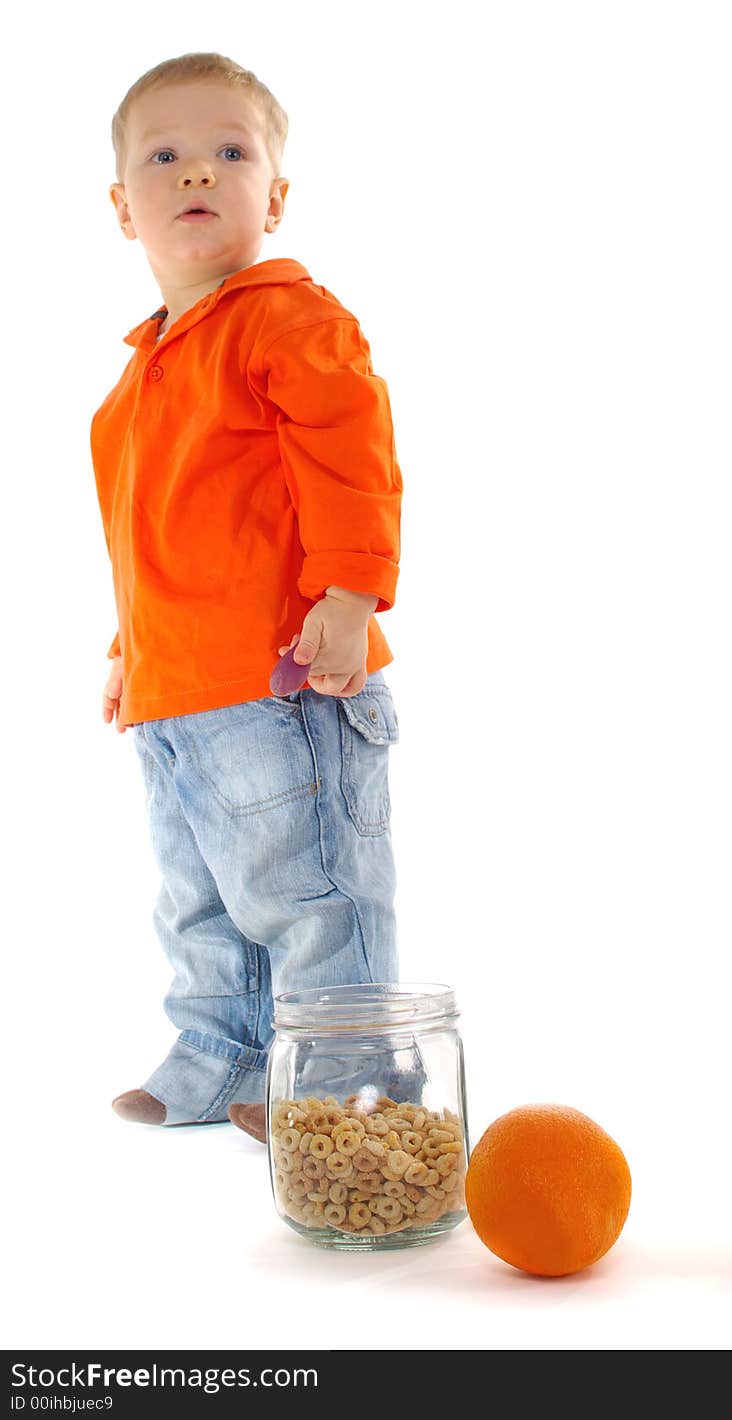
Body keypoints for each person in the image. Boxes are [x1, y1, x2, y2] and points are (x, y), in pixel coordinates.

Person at [92, 52, 403, 1142]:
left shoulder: (285, 319)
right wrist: (130, 649)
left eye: (230, 152)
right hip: (179, 695)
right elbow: (153, 535)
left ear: (273, 194)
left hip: (282, 678)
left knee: (308, 891)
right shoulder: (140, 376)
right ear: (123, 206)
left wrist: (353, 593)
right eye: (163, 156)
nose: (196, 174)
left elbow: (350, 450)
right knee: (201, 900)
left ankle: (350, 1081)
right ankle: (224, 1052)